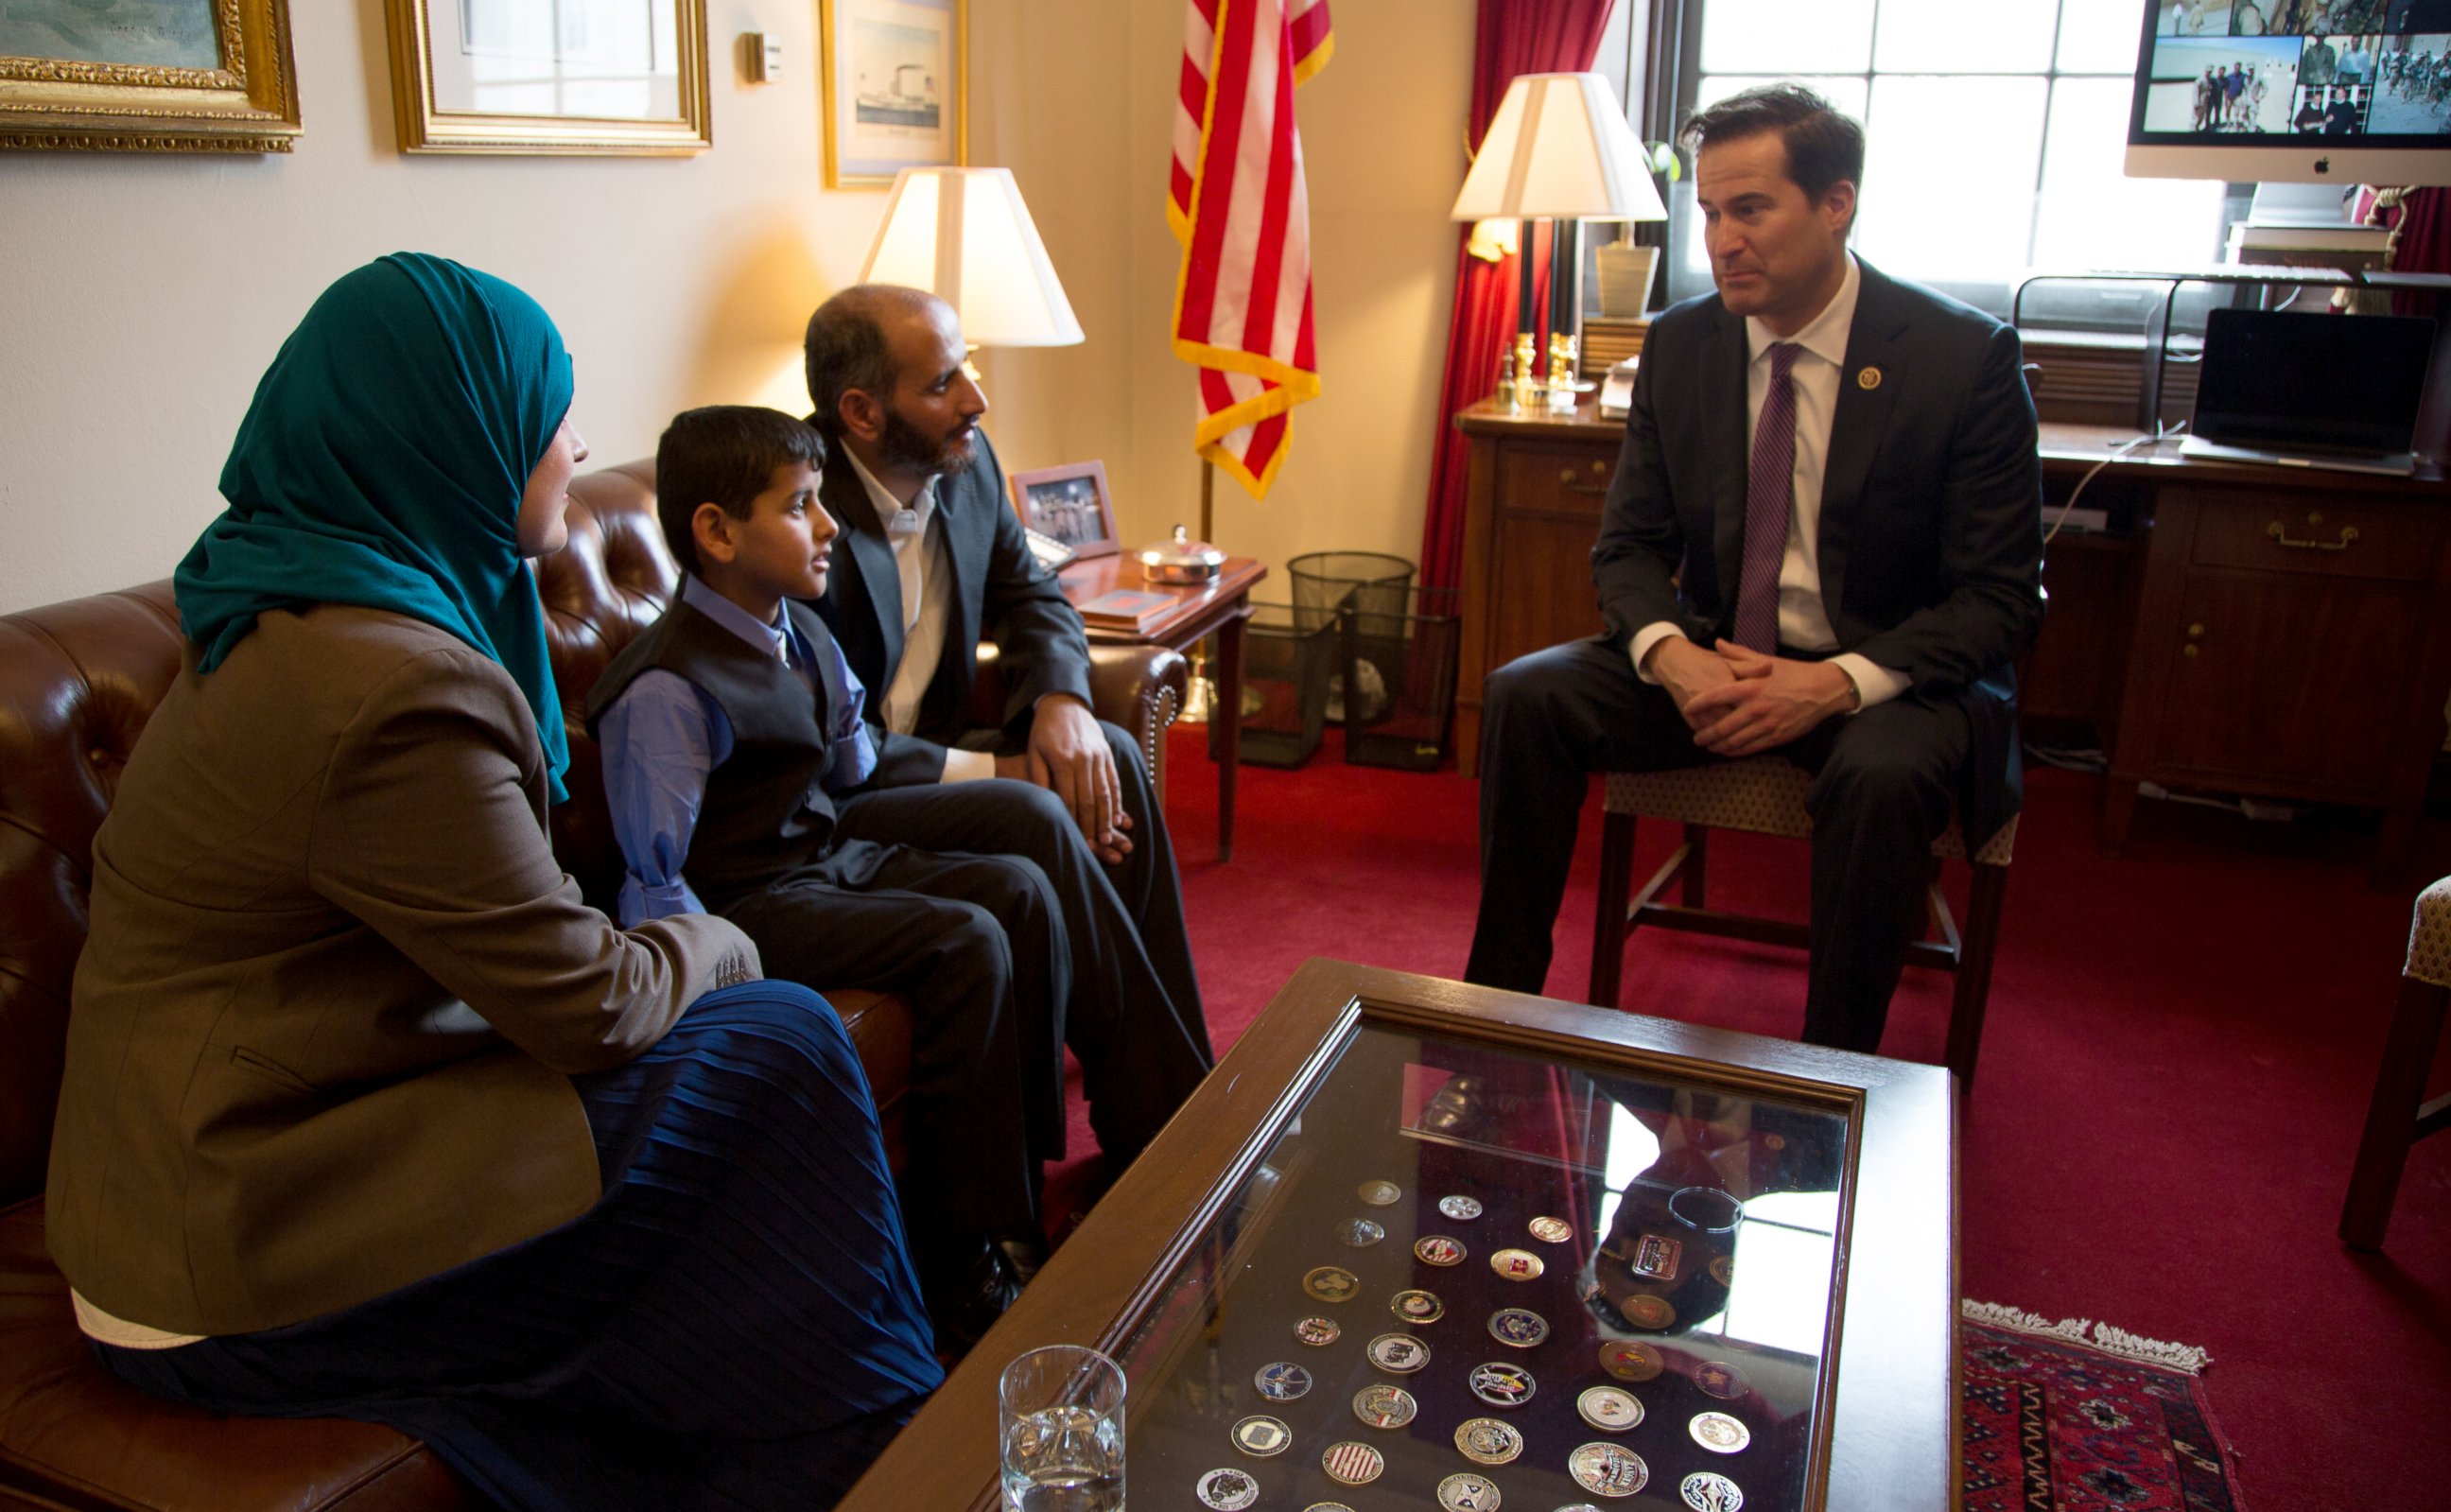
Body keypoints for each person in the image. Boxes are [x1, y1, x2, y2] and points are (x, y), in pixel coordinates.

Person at [43, 255, 940, 1509]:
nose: (573, 442)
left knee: (747, 1087)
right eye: (546, 412)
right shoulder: (388, 686)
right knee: (778, 1040)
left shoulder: (292, 591)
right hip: (230, 1242)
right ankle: (892, 1456)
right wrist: (723, 940)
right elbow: (591, 1006)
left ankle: (837, 1440)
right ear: (448, 430)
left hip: (245, 1152)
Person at [1463, 85, 2042, 1056]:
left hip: (1883, 681)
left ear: (1835, 204)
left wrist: (1832, 686)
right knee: (1526, 697)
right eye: (1710, 214)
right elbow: (1629, 548)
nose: (1723, 239)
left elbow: (1999, 600)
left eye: (1750, 209)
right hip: (1720, 657)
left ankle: (1827, 1074)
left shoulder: (1961, 359)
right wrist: (1667, 655)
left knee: (1885, 780)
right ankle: (1495, 1014)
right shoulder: (1684, 344)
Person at [587, 404, 1055, 1350]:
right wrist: (716, 1014)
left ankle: (1021, 1194)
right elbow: (655, 881)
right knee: (963, 938)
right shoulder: (666, 688)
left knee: (1018, 886)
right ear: (717, 533)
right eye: (801, 507)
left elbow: (848, 770)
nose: (830, 525)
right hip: (748, 903)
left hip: (822, 854)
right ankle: (957, 1261)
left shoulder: (801, 629)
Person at [802, 285, 1214, 1199]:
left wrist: (1061, 705)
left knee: (1108, 755)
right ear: (861, 414)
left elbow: (1030, 594)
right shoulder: (798, 509)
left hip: (936, 741)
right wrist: (997, 761)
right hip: (845, 788)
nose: (976, 401)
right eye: (945, 382)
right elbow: (827, 739)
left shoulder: (969, 459)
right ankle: (1181, 1122)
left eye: (969, 371)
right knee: (1031, 804)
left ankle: (1158, 1102)